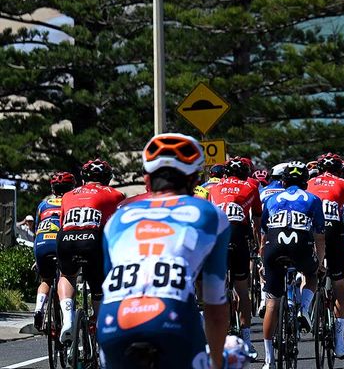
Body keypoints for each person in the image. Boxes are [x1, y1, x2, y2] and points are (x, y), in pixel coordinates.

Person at [97, 134, 235, 369]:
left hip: (113, 321)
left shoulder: (117, 219)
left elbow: (107, 286)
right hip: (173, 318)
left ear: (147, 179)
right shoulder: (210, 213)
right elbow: (214, 305)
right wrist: (217, 361)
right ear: (194, 179)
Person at [261, 161, 326, 368]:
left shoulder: (271, 198)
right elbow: (319, 236)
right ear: (306, 182)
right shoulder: (313, 199)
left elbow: (263, 233)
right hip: (301, 246)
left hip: (273, 247)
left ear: (283, 181)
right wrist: (320, 262)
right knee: (312, 275)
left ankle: (269, 359)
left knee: (272, 302)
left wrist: (263, 261)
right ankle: (304, 310)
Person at [57, 158, 126, 344]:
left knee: (66, 275)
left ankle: (67, 318)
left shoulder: (68, 195)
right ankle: (97, 325)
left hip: (66, 238)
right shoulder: (115, 194)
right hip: (93, 240)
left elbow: (63, 223)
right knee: (99, 287)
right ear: (107, 178)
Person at [208, 155, 264, 359]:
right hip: (238, 236)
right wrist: (259, 246)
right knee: (242, 289)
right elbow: (257, 221)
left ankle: (217, 337)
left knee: (218, 290)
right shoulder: (250, 187)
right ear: (245, 174)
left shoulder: (212, 188)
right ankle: (247, 341)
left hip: (217, 238)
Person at [308, 152, 344, 358]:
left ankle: (303, 307)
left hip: (310, 232)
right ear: (340, 169)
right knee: (339, 288)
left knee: (309, 275)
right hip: (334, 231)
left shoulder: (309, 182)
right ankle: (339, 342)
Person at [32, 171, 75, 331]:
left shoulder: (43, 205)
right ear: (71, 187)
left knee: (46, 280)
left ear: (53, 189)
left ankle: (38, 309)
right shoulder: (71, 202)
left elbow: (36, 230)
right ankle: (67, 318)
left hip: (41, 243)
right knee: (67, 277)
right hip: (60, 242)